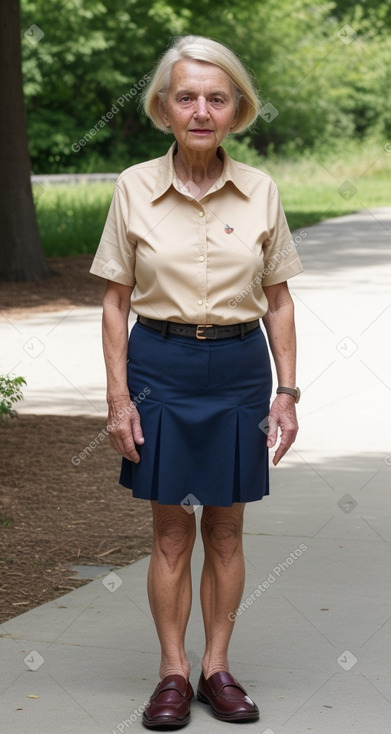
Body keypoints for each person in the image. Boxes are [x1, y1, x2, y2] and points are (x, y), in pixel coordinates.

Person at [90, 34, 303, 729]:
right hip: (159, 368)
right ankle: (172, 675)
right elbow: (115, 302)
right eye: (187, 97)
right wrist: (119, 398)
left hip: (239, 371)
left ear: (236, 108)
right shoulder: (133, 187)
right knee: (171, 534)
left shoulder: (261, 190)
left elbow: (277, 300)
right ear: (163, 107)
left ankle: (216, 667)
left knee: (228, 531)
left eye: (216, 97)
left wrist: (286, 392)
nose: (201, 110)